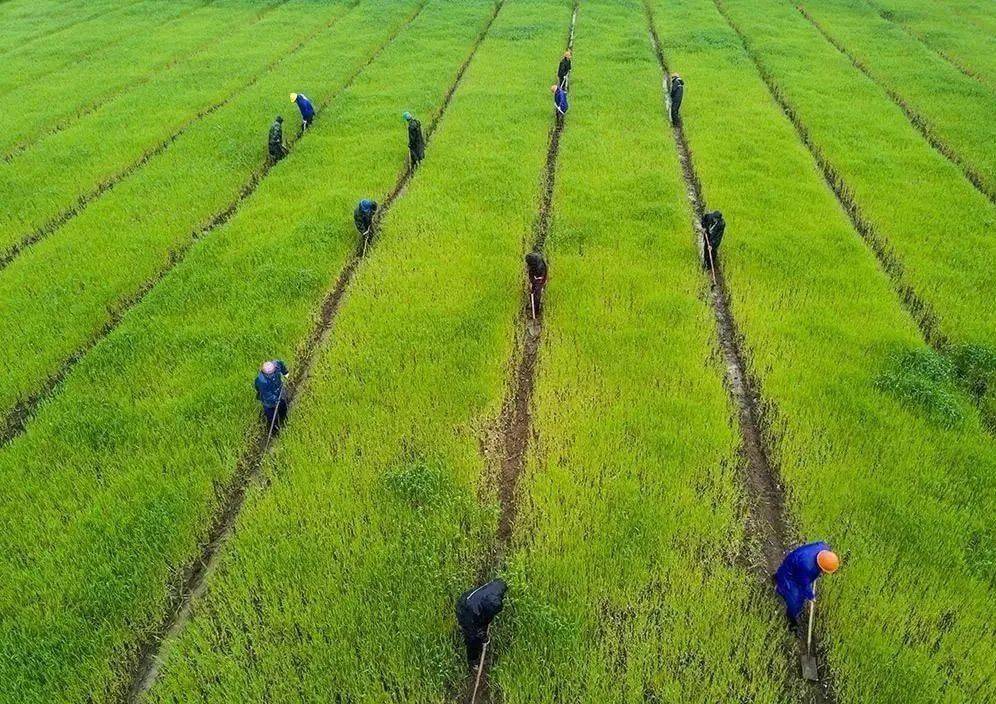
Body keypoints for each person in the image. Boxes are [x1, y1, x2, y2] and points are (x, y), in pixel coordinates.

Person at [773, 542, 840, 630]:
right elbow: (803, 584)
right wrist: (811, 596)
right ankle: (791, 621)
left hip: (795, 560)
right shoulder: (808, 568)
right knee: (795, 603)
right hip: (790, 572)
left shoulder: (823, 546)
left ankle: (777, 578)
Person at [456, 580, 507, 669]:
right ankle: (472, 660)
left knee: (483, 623)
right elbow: (474, 628)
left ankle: (479, 636)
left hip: (477, 604)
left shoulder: (498, 588)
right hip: (464, 607)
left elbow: (501, 582)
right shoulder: (471, 611)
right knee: (472, 637)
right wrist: (480, 634)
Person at [254, 360, 289, 432]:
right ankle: (275, 430)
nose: (272, 375)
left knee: (283, 408)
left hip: (279, 392)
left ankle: (284, 420)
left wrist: (285, 373)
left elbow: (281, 364)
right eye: (269, 374)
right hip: (268, 403)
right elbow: (267, 395)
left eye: (273, 372)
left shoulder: (276, 365)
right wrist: (275, 399)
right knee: (272, 417)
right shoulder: (262, 381)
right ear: (264, 373)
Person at [525, 251, 548, 317]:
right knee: (533, 290)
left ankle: (536, 311)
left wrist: (536, 284)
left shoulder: (540, 267)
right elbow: (531, 272)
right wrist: (532, 281)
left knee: (537, 293)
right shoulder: (531, 259)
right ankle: (532, 305)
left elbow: (539, 278)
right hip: (536, 275)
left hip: (540, 277)